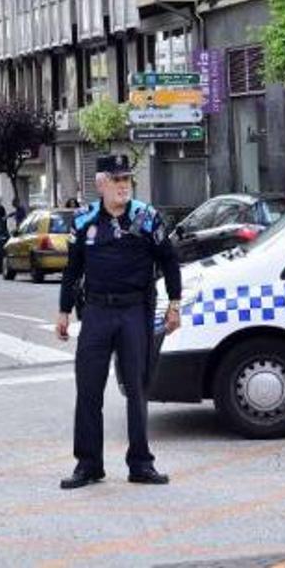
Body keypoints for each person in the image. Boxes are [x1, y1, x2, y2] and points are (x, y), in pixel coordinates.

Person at [55, 154, 183, 488]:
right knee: (88, 390)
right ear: (101, 184)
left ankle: (141, 463)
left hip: (133, 312)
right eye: (116, 179)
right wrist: (64, 311)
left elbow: (169, 261)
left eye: (127, 179)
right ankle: (88, 465)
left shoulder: (146, 217)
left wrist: (174, 304)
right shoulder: (83, 220)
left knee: (137, 389)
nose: (123, 185)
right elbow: (72, 269)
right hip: (96, 312)